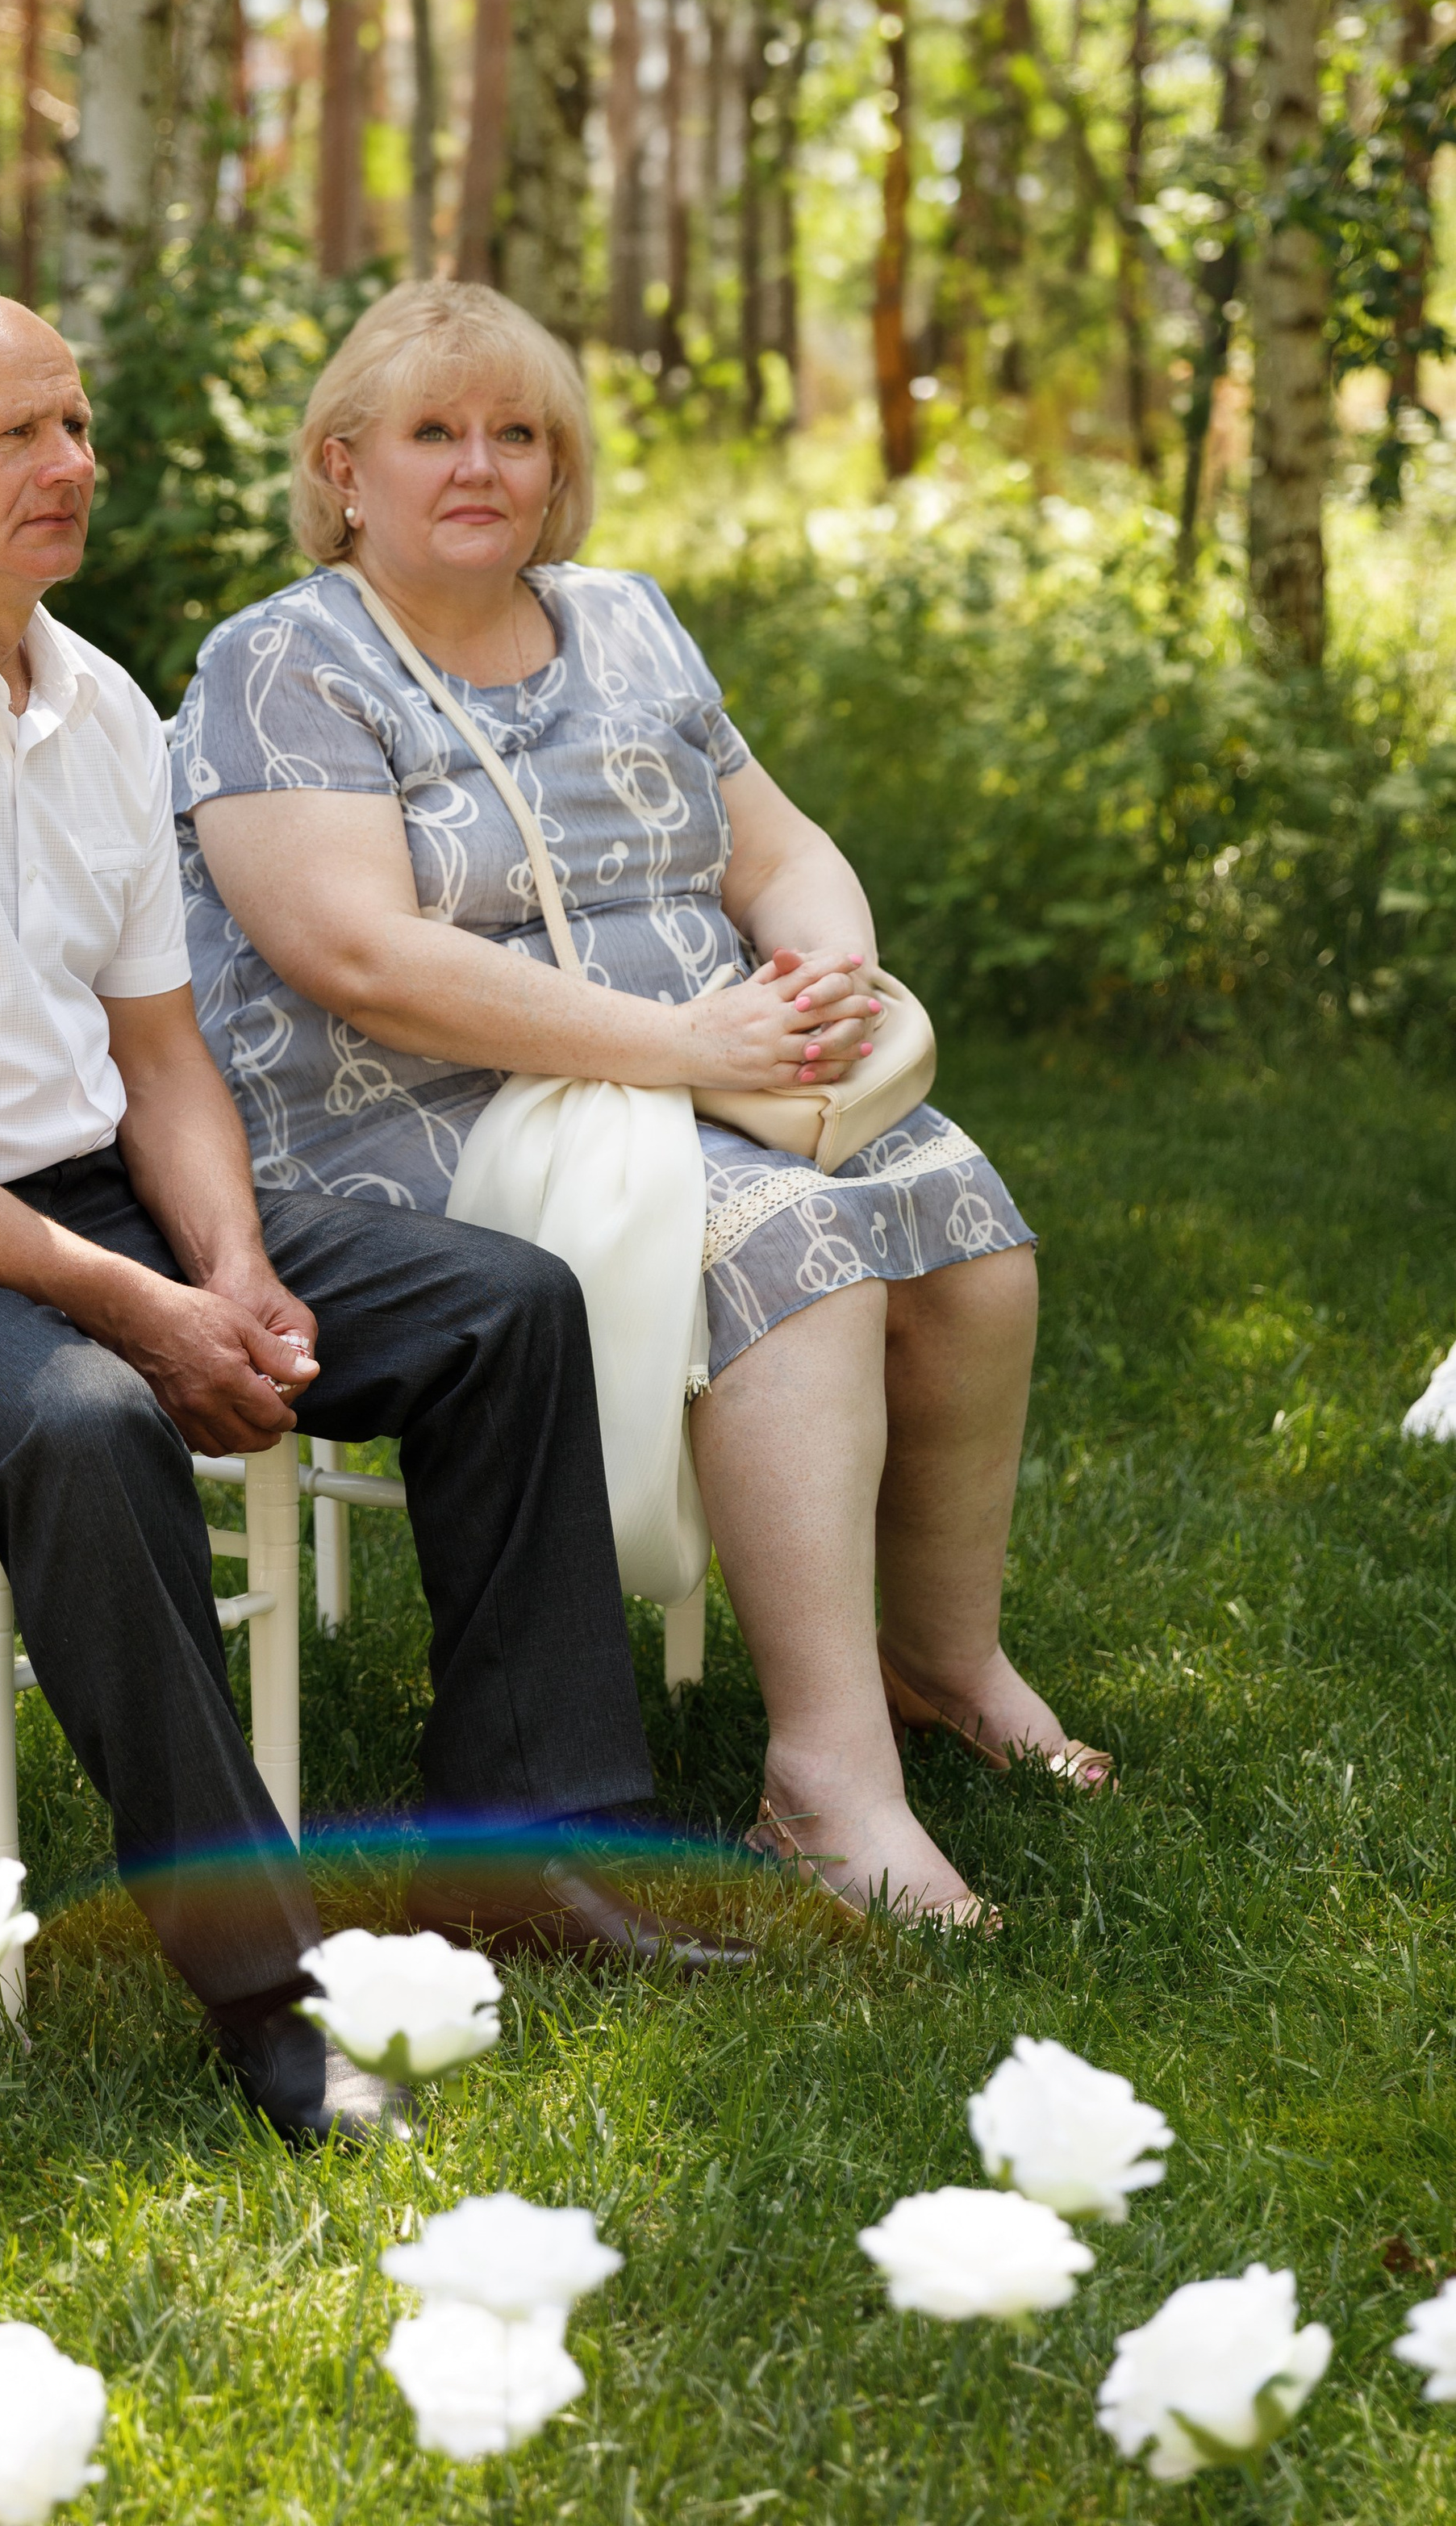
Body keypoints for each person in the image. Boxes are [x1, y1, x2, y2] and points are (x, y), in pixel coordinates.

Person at [0, 286, 749, 2147]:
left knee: (501, 1303)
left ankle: (526, 1853)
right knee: (85, 1417)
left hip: (88, 1207)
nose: (71, 466)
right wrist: (141, 1318)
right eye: (19, 436)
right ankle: (275, 2001)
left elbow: (160, 1056)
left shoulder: (94, 702)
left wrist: (227, 1265)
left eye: (75, 427)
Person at [173, 279, 1113, 1934]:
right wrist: (690, 1052)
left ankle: (939, 1658)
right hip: (416, 1126)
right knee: (798, 1241)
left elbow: (782, 851)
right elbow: (355, 956)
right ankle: (823, 1784)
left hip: (701, 1070)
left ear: (558, 465)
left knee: (967, 1233)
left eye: (516, 432)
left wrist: (822, 978)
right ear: (340, 468)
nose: (480, 466)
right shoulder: (279, 660)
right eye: (431, 432)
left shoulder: (623, 619)